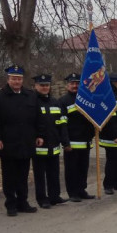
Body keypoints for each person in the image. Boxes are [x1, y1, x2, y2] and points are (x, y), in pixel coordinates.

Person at [0, 65, 46, 215]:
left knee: (23, 174)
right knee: (9, 175)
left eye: (19, 79)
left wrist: (40, 135)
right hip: (8, 143)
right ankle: (11, 204)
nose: (16, 81)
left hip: (26, 141)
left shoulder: (30, 95)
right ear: (8, 79)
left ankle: (23, 202)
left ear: (22, 79)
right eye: (14, 78)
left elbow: (38, 117)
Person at [32, 73, 67, 208]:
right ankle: (42, 199)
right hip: (39, 145)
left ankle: (55, 196)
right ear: (36, 86)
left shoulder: (55, 102)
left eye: (47, 85)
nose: (45, 87)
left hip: (54, 143)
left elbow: (62, 122)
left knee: (54, 172)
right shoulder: (32, 102)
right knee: (40, 174)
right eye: (42, 85)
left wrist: (63, 140)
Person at [59, 72, 95, 201]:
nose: (74, 85)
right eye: (72, 83)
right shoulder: (63, 101)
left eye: (77, 83)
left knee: (83, 168)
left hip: (85, 141)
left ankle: (81, 190)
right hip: (72, 142)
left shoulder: (86, 99)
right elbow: (62, 124)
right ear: (67, 85)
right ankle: (72, 192)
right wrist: (65, 142)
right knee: (71, 169)